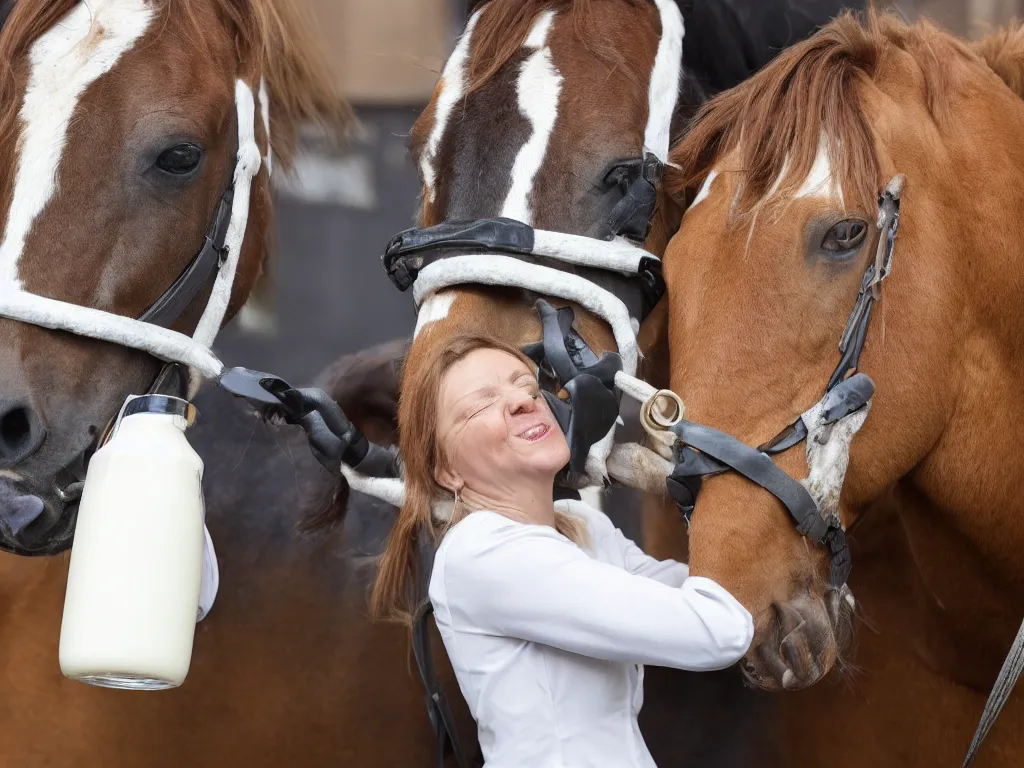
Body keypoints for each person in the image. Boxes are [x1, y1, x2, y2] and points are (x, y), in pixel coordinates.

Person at [371, 334, 753, 768]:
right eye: (480, 405)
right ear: (447, 470)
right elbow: (720, 630)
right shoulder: (480, 555)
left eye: (529, 388)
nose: (521, 401)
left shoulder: (582, 524)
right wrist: (733, 481)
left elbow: (715, 594)